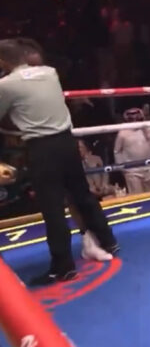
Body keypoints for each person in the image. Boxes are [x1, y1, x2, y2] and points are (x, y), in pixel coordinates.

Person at [0, 38, 118, 284]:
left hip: (42, 148)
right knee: (82, 194)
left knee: (52, 208)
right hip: (67, 142)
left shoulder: (7, 85)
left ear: (3, 62)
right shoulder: (50, 72)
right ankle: (108, 241)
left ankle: (63, 266)